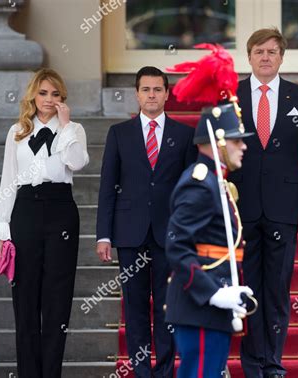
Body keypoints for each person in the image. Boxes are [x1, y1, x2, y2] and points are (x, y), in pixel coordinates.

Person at [227, 28, 298, 377]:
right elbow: (219, 155)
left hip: (284, 208)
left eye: (272, 51)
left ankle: (273, 363)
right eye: (259, 51)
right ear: (249, 57)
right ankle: (253, 364)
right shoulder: (232, 96)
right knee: (249, 289)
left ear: (282, 57)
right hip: (243, 208)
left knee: (278, 290)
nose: (265, 57)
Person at [96, 66, 197, 378]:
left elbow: (191, 189)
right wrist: (104, 235)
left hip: (170, 236)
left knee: (167, 309)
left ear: (167, 94)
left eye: (157, 89)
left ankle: (165, 371)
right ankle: (142, 371)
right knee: (136, 310)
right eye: (146, 90)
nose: (152, 95)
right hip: (130, 235)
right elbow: (107, 187)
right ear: (137, 94)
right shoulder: (119, 134)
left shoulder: (184, 135)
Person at [0, 68, 89, 377]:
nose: (49, 99)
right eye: (43, 93)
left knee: (58, 299)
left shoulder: (74, 129)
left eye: (55, 94)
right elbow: (8, 179)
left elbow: (77, 162)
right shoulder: (16, 130)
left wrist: (66, 125)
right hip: (26, 212)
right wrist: (3, 225)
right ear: (33, 94)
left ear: (62, 98)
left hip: (61, 210)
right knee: (25, 299)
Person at [165, 102, 254, 378]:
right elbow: (177, 246)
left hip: (211, 307)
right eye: (236, 140)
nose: (243, 147)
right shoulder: (200, 183)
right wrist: (213, 293)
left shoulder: (216, 182)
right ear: (217, 142)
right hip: (200, 306)